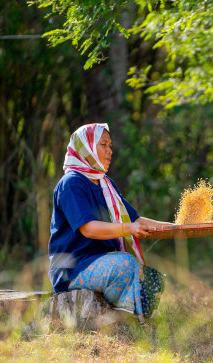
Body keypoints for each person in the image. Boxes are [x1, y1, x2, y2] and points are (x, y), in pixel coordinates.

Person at [48, 123, 173, 322]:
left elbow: (136, 220)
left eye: (110, 146)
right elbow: (88, 229)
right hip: (72, 268)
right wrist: (129, 228)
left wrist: (177, 227)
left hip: (100, 261)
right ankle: (127, 324)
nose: (110, 151)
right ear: (86, 148)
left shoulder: (105, 183)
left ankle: (132, 321)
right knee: (126, 265)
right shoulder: (71, 183)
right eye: (103, 145)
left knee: (153, 280)